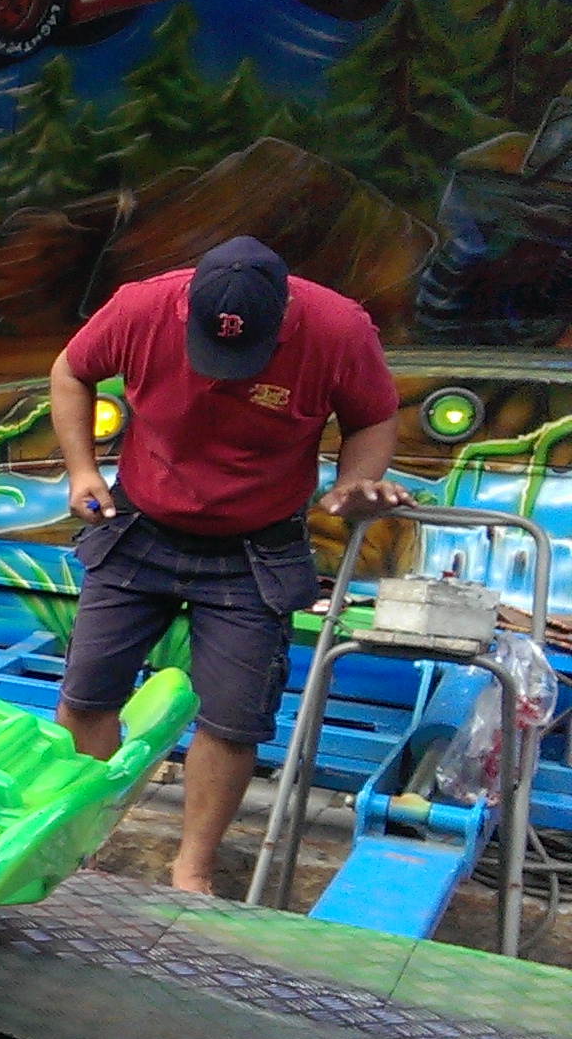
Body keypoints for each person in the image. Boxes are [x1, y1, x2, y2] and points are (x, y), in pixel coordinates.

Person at [51, 236, 411, 894]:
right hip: (142, 521)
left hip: (256, 541)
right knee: (87, 691)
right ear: (187, 307)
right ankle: (78, 847)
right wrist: (81, 469)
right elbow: (71, 370)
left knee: (233, 717)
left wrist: (354, 483)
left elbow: (374, 416)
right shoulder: (141, 308)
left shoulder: (338, 329)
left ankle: (192, 869)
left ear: (284, 314)